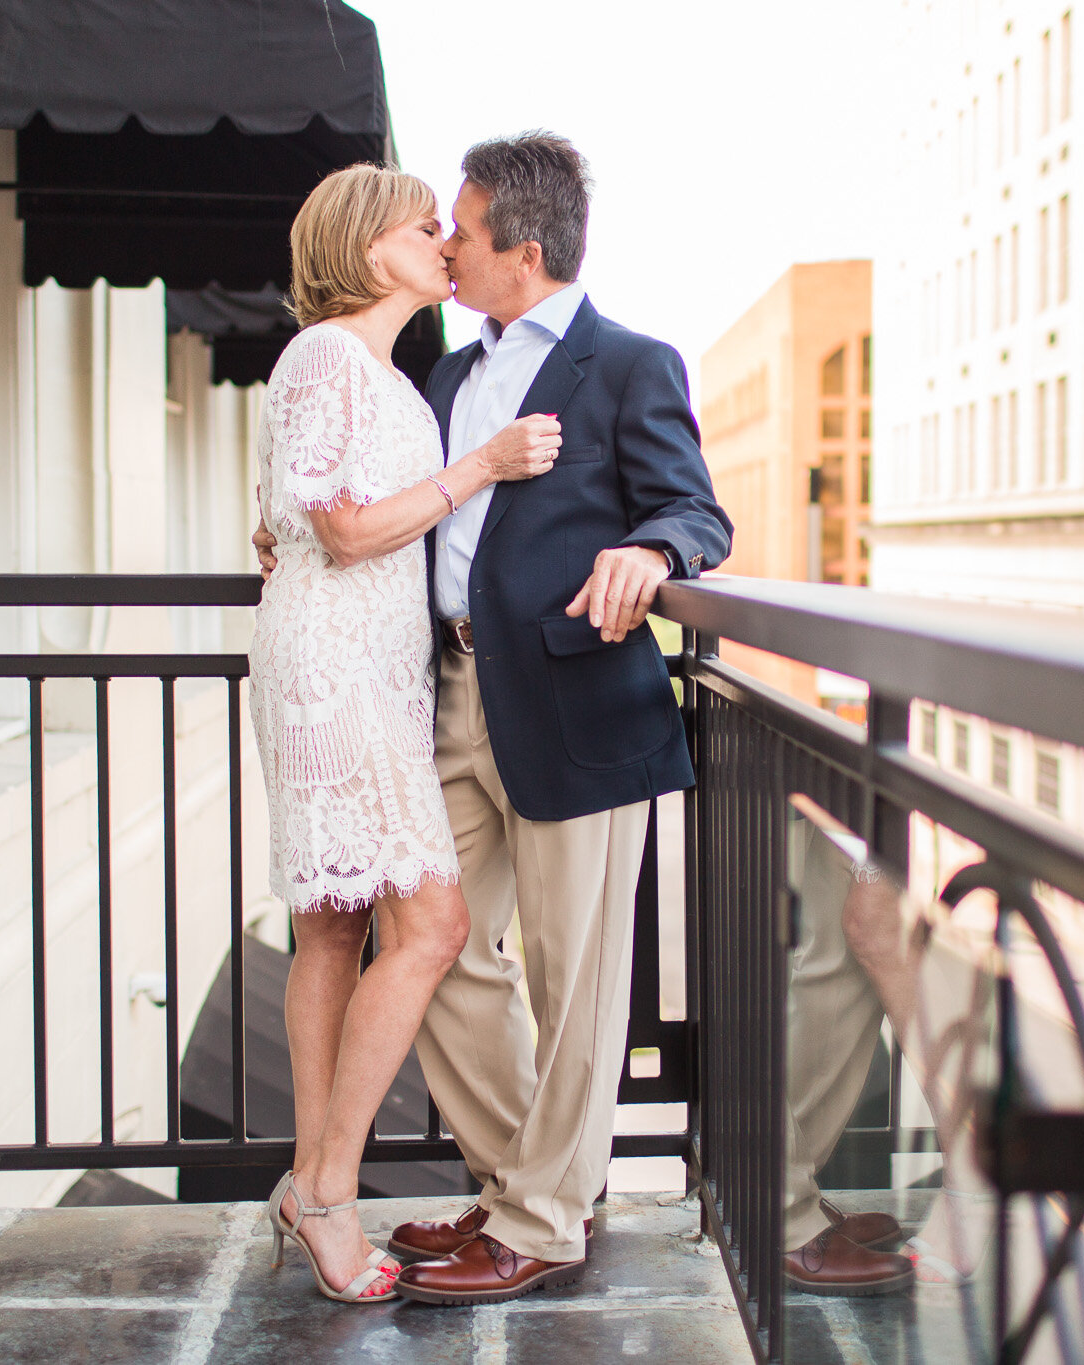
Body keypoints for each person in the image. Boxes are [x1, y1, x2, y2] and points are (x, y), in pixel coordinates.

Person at [257, 131, 732, 1306]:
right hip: (435, 696)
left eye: (458, 230)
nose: (446, 246)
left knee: (572, 979)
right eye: (432, 230)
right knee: (441, 950)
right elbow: (359, 502)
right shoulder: (438, 378)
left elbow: (695, 512)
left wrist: (650, 547)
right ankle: (528, 1180)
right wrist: (287, 525)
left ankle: (540, 1215)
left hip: (576, 698)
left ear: (522, 248)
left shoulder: (629, 362)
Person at [248, 162, 562, 1305]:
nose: (444, 238)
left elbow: (289, 514)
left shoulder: (380, 372)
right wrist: (477, 465)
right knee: (428, 923)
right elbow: (338, 531)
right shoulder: (330, 354)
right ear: (361, 244)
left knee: (335, 930)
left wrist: (286, 531)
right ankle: (328, 1191)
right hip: (332, 671)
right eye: (421, 223)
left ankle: (310, 1181)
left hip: (370, 670)